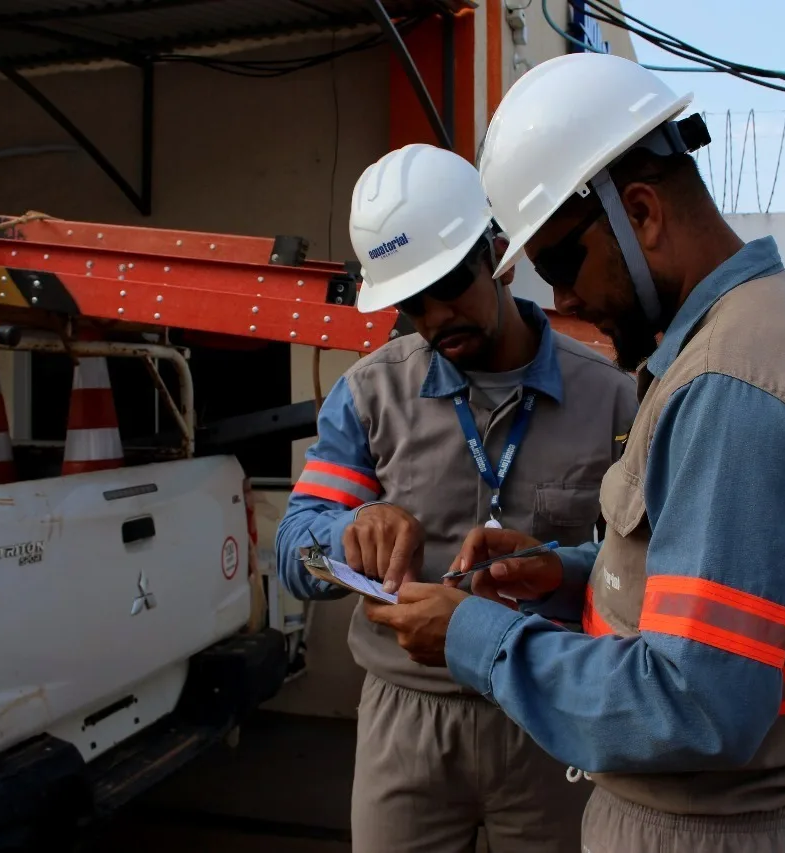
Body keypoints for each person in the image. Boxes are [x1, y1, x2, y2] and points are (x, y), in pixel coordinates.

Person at [366, 52, 785, 853]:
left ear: (640, 212)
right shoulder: (746, 337)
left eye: (563, 263)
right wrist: (567, 571)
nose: (561, 299)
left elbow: (697, 705)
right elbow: (694, 588)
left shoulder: (730, 386)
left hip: (706, 829)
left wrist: (473, 635)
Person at [274, 142, 637, 853]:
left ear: (497, 253)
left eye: (451, 282)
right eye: (413, 302)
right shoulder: (370, 396)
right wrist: (350, 530)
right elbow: (293, 549)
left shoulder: (611, 397)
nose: (437, 317)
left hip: (546, 712)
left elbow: (640, 566)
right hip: (405, 723)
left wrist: (562, 564)